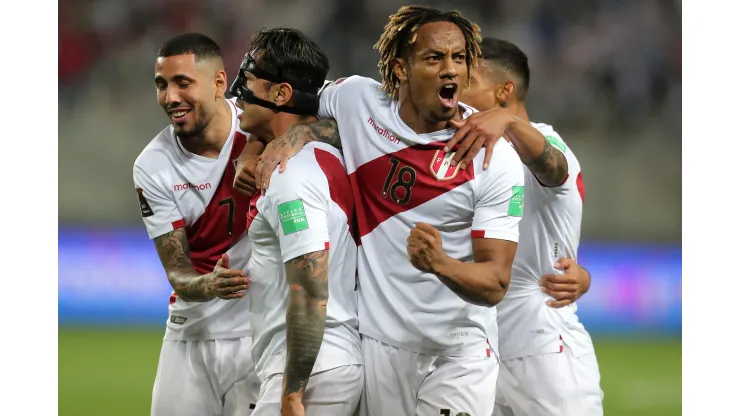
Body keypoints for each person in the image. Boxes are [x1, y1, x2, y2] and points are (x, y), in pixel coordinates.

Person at [241, 6, 525, 416]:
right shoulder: (357, 100)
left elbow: (496, 282)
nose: (451, 70)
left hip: (457, 353)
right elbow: (280, 106)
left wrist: (441, 264)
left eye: (459, 58)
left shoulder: (492, 159)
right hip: (377, 349)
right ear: (400, 68)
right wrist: (277, 143)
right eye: (434, 58)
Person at [456, 36, 604, 416]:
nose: (455, 88)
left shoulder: (549, 142)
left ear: (504, 91)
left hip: (544, 352)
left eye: (467, 80)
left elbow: (553, 167)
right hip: (481, 352)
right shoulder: (468, 150)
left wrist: (507, 123)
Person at [229, 28, 363, 416]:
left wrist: (292, 393)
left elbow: (310, 290)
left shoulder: (291, 175)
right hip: (323, 362)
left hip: (313, 370)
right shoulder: (324, 154)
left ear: (281, 94)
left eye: (248, 78)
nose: (237, 90)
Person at [132, 32, 261, 416]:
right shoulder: (152, 165)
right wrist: (209, 283)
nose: (170, 97)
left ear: (220, 83)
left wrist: (283, 142)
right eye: (162, 85)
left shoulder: (263, 123)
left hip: (261, 335)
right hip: (192, 334)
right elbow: (178, 273)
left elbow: (334, 116)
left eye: (182, 83)